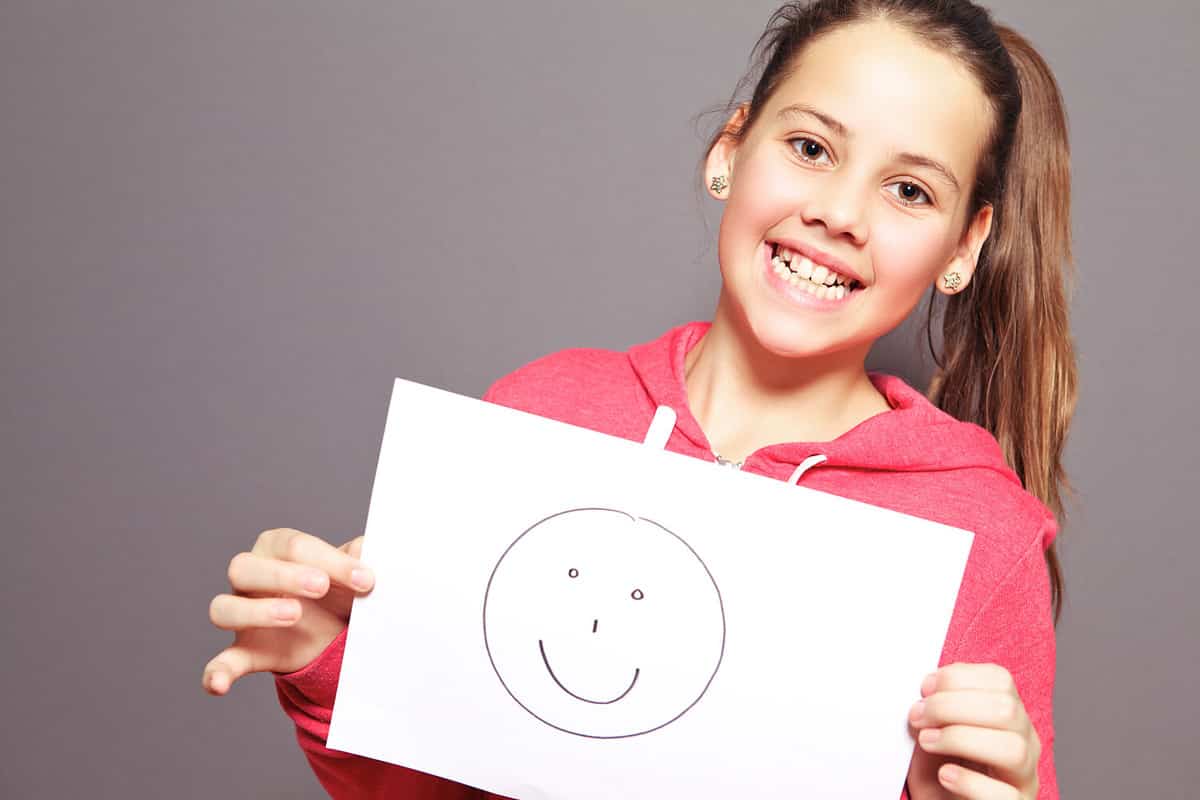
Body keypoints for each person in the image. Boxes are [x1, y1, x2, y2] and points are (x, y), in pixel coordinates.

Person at [201, 1, 1077, 798]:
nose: (840, 213)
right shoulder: (541, 415)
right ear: (730, 151)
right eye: (811, 148)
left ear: (964, 247)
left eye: (909, 190)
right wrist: (326, 661)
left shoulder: (980, 535)